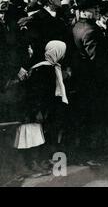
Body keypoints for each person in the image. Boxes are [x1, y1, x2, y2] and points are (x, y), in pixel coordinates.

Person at [71, 0, 108, 166]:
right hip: (94, 83)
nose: (97, 11)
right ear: (84, 11)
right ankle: (92, 156)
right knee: (95, 119)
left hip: (82, 81)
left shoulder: (76, 26)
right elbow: (98, 62)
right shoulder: (91, 30)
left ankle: (87, 155)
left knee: (86, 119)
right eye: (94, 8)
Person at [14, 41, 68, 178]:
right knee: (28, 138)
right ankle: (26, 167)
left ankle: (32, 165)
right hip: (32, 110)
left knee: (33, 138)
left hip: (35, 109)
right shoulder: (45, 69)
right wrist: (38, 110)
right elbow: (36, 93)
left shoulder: (49, 68)